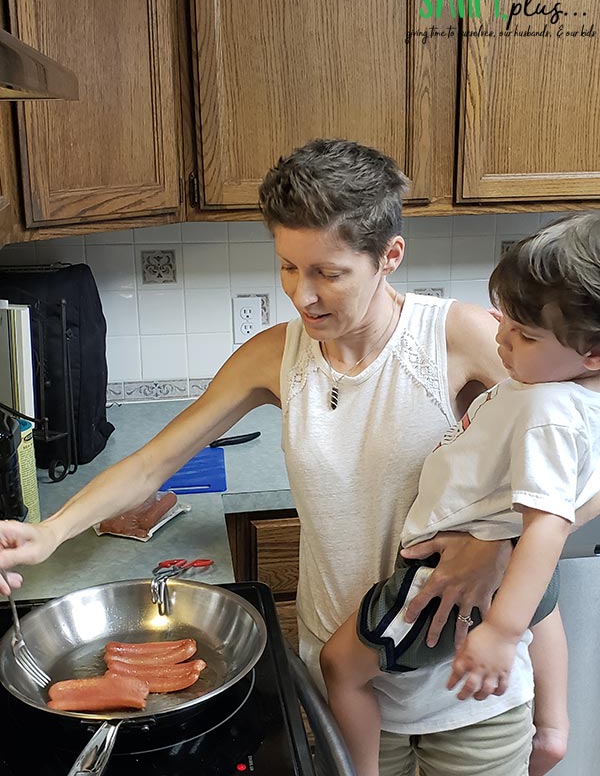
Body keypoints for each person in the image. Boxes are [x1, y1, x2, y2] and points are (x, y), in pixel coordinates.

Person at [0, 139, 594, 776]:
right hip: (344, 676)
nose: (302, 296)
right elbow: (154, 463)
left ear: (389, 256)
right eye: (288, 267)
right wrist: (48, 533)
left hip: (469, 689)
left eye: (328, 273)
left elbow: (573, 451)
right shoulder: (274, 357)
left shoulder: (462, 337)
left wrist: (499, 546)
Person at [319, 210, 600, 776]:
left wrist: (500, 633)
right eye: (504, 319)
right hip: (501, 569)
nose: (499, 336)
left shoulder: (548, 409)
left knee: (339, 666)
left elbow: (548, 526)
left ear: (592, 353)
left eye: (523, 334)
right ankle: (550, 728)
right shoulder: (562, 389)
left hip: (439, 581)